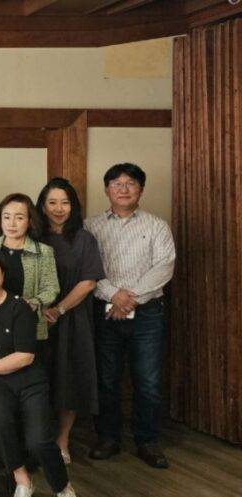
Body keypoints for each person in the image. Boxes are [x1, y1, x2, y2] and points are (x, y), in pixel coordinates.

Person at [0, 248, 80, 497]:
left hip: (28, 381)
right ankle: (23, 481)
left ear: (3, 274)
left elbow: (25, 357)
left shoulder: (20, 307)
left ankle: (63, 486)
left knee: (38, 440)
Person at [84, 163, 175, 469]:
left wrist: (129, 298)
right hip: (104, 312)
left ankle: (147, 441)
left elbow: (164, 267)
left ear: (141, 189)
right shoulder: (90, 226)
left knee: (148, 381)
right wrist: (113, 295)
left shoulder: (157, 226)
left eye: (131, 183)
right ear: (106, 189)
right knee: (106, 379)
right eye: (116, 183)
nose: (123, 189)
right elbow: (87, 269)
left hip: (147, 314)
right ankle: (108, 438)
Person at [37, 178, 105, 464]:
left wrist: (59, 310)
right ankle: (39, 439)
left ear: (73, 206)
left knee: (70, 379)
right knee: (40, 378)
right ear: (42, 206)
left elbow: (89, 282)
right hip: (37, 319)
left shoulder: (84, 239)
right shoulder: (34, 238)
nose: (58, 209)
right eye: (52, 202)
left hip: (73, 317)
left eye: (65, 203)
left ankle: (62, 440)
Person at [0, 193, 59, 342]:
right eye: (7, 217)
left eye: (19, 218)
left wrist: (33, 303)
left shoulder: (43, 251)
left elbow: (51, 288)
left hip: (26, 324)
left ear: (30, 220)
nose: (12, 224)